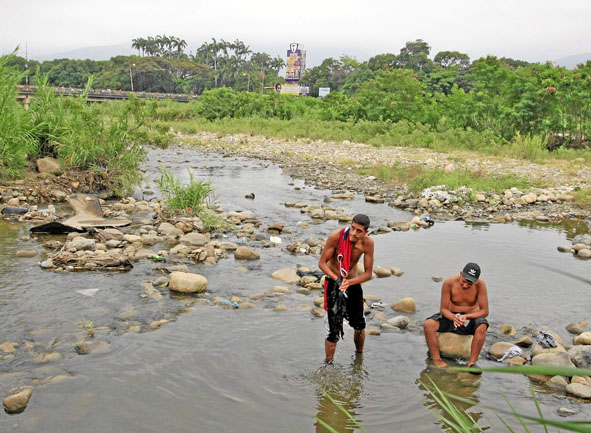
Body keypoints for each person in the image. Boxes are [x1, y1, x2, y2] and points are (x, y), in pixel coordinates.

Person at [318, 214, 374, 362]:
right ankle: (328, 363)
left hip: (353, 283)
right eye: (353, 228)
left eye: (359, 231)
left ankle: (359, 357)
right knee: (333, 327)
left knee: (359, 324)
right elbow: (322, 263)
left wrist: (350, 282)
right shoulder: (336, 237)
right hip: (334, 281)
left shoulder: (368, 243)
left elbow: (368, 273)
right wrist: (338, 279)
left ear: (366, 232)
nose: (354, 233)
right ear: (350, 224)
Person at [423, 263, 489, 371]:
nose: (465, 286)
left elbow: (485, 311)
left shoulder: (481, 285)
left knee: (482, 326)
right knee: (428, 324)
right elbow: (443, 309)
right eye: (463, 281)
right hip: (451, 316)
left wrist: (466, 316)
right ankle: (436, 359)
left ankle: (472, 363)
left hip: (470, 318)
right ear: (461, 274)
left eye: (470, 284)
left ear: (476, 281)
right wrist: (453, 317)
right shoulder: (449, 282)